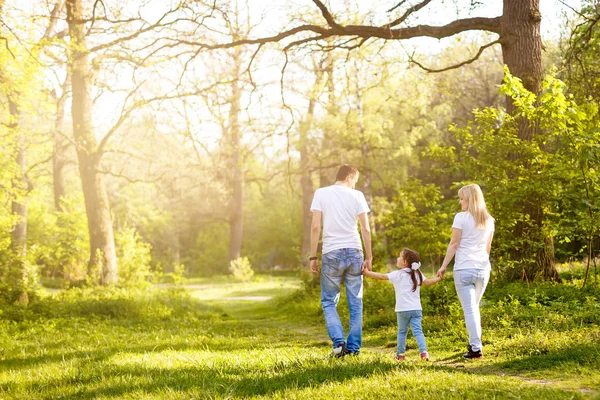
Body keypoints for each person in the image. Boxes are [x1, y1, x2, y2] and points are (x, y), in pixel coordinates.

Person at [309, 164, 372, 357]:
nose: (355, 184)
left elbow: (315, 227)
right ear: (350, 177)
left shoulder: (321, 193)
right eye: (355, 180)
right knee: (356, 303)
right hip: (354, 251)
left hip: (332, 253)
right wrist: (369, 256)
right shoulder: (357, 196)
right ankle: (353, 349)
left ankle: (339, 344)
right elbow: (366, 229)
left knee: (328, 301)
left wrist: (313, 256)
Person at [437, 183, 495, 359]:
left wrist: (444, 265)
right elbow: (488, 248)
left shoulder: (461, 218)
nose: (460, 202)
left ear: (469, 199)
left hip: (464, 269)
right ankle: (474, 344)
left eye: (462, 198)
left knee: (470, 310)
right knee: (473, 309)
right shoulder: (489, 220)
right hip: (483, 269)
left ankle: (476, 348)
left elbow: (454, 244)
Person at [363, 248, 441, 361]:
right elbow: (428, 282)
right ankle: (424, 353)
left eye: (400, 256)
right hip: (416, 310)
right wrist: (438, 278)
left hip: (402, 310)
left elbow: (381, 276)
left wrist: (367, 273)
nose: (397, 258)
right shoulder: (417, 273)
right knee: (418, 331)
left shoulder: (397, 274)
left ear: (405, 262)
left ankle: (400, 355)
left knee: (402, 332)